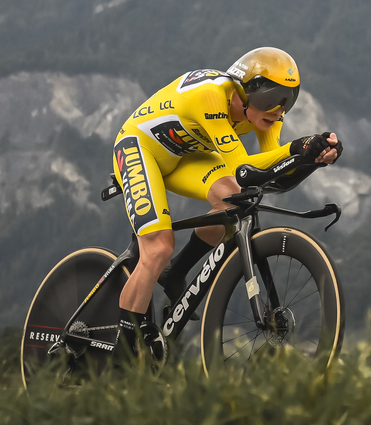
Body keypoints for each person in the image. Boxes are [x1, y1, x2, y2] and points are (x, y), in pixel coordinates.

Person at [109, 46, 342, 359]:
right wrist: (299, 148)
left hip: (184, 156)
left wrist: (312, 159)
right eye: (270, 100)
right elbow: (245, 169)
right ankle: (124, 354)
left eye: (288, 100)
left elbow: (270, 177)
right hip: (139, 148)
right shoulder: (212, 97)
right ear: (245, 92)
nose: (278, 111)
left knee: (232, 202)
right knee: (158, 247)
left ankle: (176, 272)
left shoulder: (265, 115)